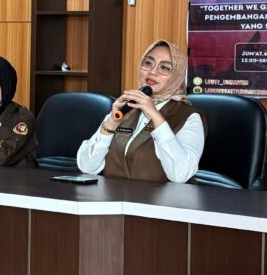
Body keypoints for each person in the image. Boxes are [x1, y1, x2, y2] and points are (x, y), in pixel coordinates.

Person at [77, 40, 206, 183]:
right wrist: (112, 122)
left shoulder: (189, 117)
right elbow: (87, 167)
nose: (152, 71)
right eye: (148, 63)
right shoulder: (126, 107)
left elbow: (181, 175)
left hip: (161, 198)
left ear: (177, 75)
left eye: (164, 67)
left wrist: (156, 117)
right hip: (113, 195)